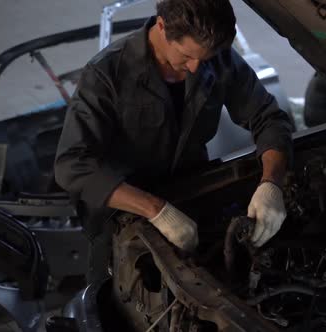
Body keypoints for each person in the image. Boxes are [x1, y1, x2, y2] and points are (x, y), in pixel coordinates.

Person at [54, 0, 294, 283]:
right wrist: (155, 210)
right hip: (122, 213)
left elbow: (269, 118)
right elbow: (73, 165)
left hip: (193, 194)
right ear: (161, 25)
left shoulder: (216, 57)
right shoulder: (106, 74)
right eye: (186, 56)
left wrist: (271, 184)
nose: (195, 68)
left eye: (203, 59)